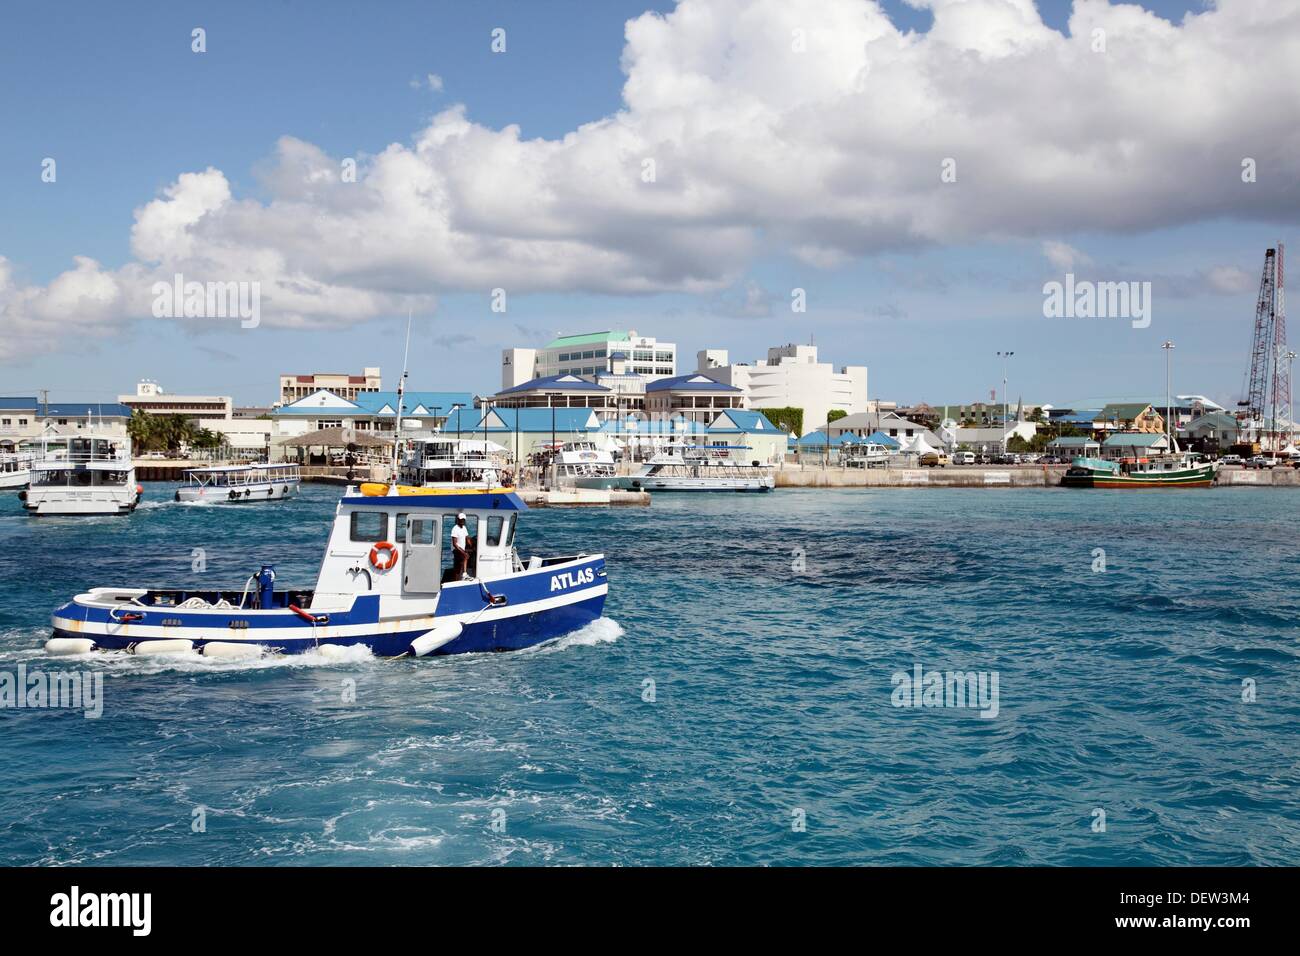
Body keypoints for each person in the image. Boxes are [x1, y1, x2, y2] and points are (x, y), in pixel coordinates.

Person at [450, 512, 470, 579]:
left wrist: (472, 545)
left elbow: (467, 538)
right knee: (458, 567)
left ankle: (464, 574)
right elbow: (454, 544)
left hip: (462, 548)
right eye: (461, 519)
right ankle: (456, 581)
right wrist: (464, 553)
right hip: (456, 549)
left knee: (465, 558)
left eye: (463, 520)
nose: (462, 521)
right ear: (458, 519)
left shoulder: (464, 528)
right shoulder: (455, 529)